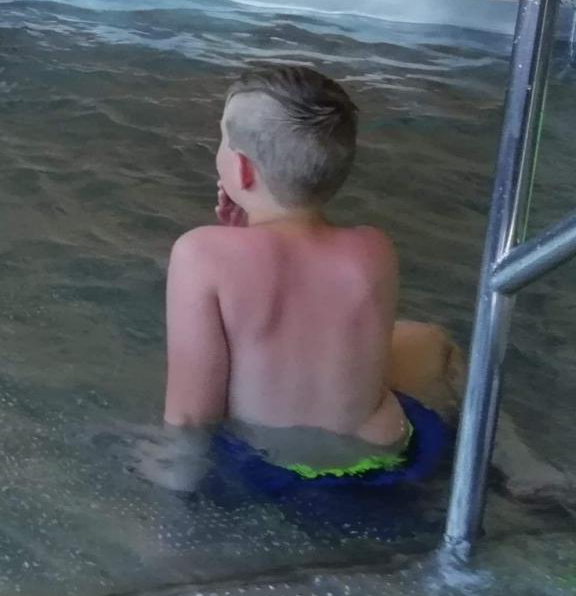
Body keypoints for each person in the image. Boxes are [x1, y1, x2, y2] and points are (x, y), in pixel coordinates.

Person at [145, 65, 462, 495]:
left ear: (242, 169)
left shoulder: (200, 253)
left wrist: (176, 484)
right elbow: (311, 325)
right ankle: (512, 460)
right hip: (386, 458)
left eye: (222, 138)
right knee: (433, 342)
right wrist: (245, 233)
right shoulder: (374, 248)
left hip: (270, 467)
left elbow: (191, 415)